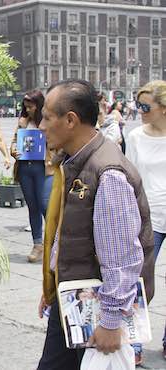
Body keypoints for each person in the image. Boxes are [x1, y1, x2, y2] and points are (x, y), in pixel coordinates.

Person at [36, 79, 154, 370]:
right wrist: (53, 288)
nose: (41, 126)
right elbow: (70, 234)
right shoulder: (76, 161)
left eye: (47, 117)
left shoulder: (107, 172)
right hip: (72, 300)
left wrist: (111, 320)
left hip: (96, 311)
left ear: (71, 120)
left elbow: (121, 256)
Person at [125, 80, 166, 360]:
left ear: (163, 108)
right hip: (149, 217)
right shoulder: (137, 135)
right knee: (140, 281)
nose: (139, 110)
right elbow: (129, 177)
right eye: (137, 105)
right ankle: (134, 343)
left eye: (145, 106)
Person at [10, 91, 56, 263]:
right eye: (26, 106)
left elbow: (57, 143)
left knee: (45, 204)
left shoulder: (47, 123)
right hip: (25, 168)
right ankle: (38, 244)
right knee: (32, 206)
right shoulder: (22, 122)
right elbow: (14, 142)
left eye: (31, 106)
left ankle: (54, 243)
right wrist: (14, 151)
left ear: (39, 105)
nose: (28, 109)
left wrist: (46, 143)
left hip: (44, 168)